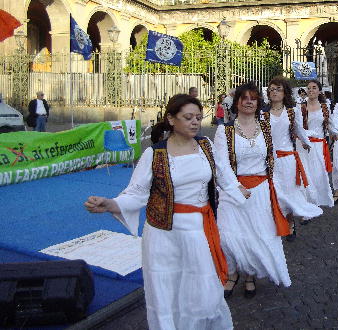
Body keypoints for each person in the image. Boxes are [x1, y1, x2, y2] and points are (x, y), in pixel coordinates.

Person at [84, 94, 250, 329]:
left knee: (205, 291)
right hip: (164, 234)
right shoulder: (155, 154)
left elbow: (223, 173)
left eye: (198, 118)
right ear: (171, 119)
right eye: (188, 117)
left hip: (199, 230)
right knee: (166, 289)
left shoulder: (206, 146)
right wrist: (111, 204)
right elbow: (136, 192)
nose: (195, 122)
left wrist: (238, 189)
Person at [215, 82, 291, 299]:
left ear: (258, 103)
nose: (249, 102)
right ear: (237, 102)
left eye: (253, 98)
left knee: (255, 236)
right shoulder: (225, 130)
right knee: (228, 237)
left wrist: (275, 188)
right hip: (233, 191)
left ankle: (249, 276)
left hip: (260, 191)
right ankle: (231, 274)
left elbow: (271, 159)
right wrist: (236, 187)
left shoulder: (265, 128)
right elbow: (221, 165)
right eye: (245, 98)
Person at [262, 77, 322, 241]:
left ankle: (290, 223)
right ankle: (275, 223)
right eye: (272, 89)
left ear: (285, 92)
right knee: (273, 193)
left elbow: (299, 129)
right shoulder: (263, 114)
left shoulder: (292, 111)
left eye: (278, 89)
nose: (274, 92)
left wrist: (306, 142)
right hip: (269, 160)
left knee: (288, 192)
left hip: (288, 159)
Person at [297, 79, 338, 209]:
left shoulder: (325, 107)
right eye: (309, 88)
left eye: (314, 87)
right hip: (304, 145)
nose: (311, 90)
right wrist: (304, 138)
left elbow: (330, 124)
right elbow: (297, 127)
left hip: (318, 146)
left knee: (317, 174)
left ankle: (315, 202)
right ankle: (305, 204)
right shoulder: (300, 107)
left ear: (319, 91)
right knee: (304, 174)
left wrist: (336, 133)